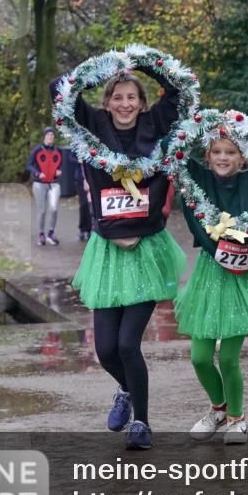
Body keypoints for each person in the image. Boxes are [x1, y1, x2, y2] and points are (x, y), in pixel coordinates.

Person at [51, 65, 187, 450]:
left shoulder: (155, 125)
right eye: (117, 96)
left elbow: (178, 89)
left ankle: (141, 423)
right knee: (106, 350)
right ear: (106, 102)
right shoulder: (93, 125)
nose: (124, 103)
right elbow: (58, 88)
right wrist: (108, 67)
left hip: (146, 249)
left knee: (128, 345)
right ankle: (125, 391)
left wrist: (144, 63)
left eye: (132, 97)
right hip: (107, 250)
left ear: (142, 103)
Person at [173, 122, 248, 445]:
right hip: (211, 272)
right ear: (208, 156)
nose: (223, 158)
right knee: (199, 356)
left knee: (227, 357)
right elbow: (173, 149)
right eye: (216, 152)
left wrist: (246, 125)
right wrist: (205, 123)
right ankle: (219, 408)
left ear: (243, 157)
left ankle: (237, 419)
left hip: (245, 273)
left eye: (231, 152)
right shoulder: (199, 179)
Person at [27, 127, 63, 246]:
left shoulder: (58, 150)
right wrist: (38, 173)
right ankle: (41, 234)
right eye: (48, 135)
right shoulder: (37, 150)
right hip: (39, 184)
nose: (50, 137)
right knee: (42, 211)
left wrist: (60, 170)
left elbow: (61, 164)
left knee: (54, 209)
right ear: (44, 136)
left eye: (52, 135)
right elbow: (29, 165)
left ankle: (51, 233)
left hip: (53, 184)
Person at [68, 147, 93, 241]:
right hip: (80, 179)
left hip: (92, 179)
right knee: (84, 204)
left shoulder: (92, 144)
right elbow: (70, 158)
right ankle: (83, 229)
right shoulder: (76, 144)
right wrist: (78, 160)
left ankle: (92, 230)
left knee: (92, 206)